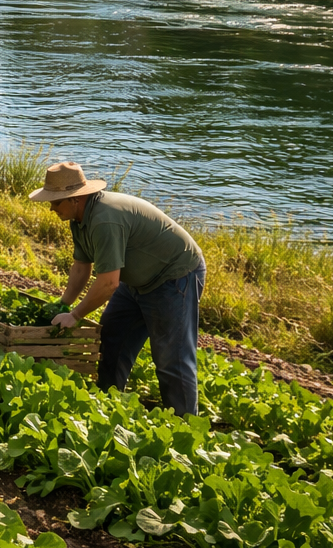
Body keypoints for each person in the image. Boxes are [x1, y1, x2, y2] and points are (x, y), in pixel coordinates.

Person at [31, 161, 207, 417]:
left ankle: (185, 427)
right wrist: (64, 303)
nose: (51, 208)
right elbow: (82, 267)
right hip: (136, 281)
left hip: (174, 276)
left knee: (172, 359)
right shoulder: (79, 219)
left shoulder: (104, 219)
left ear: (75, 199)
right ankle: (108, 405)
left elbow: (109, 284)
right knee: (112, 338)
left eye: (56, 202)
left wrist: (76, 316)